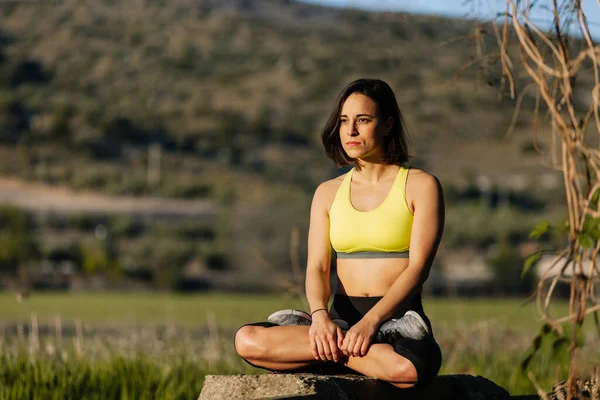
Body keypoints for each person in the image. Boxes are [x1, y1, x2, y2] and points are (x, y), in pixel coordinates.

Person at [234, 78, 444, 388]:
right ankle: (339, 348)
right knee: (247, 340)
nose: (351, 131)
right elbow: (318, 267)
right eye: (344, 121)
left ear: (387, 125)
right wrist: (320, 318)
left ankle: (329, 351)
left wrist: (370, 324)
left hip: (397, 321)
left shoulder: (421, 185)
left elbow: (418, 269)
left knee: (408, 370)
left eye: (363, 120)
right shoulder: (327, 193)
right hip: (339, 319)